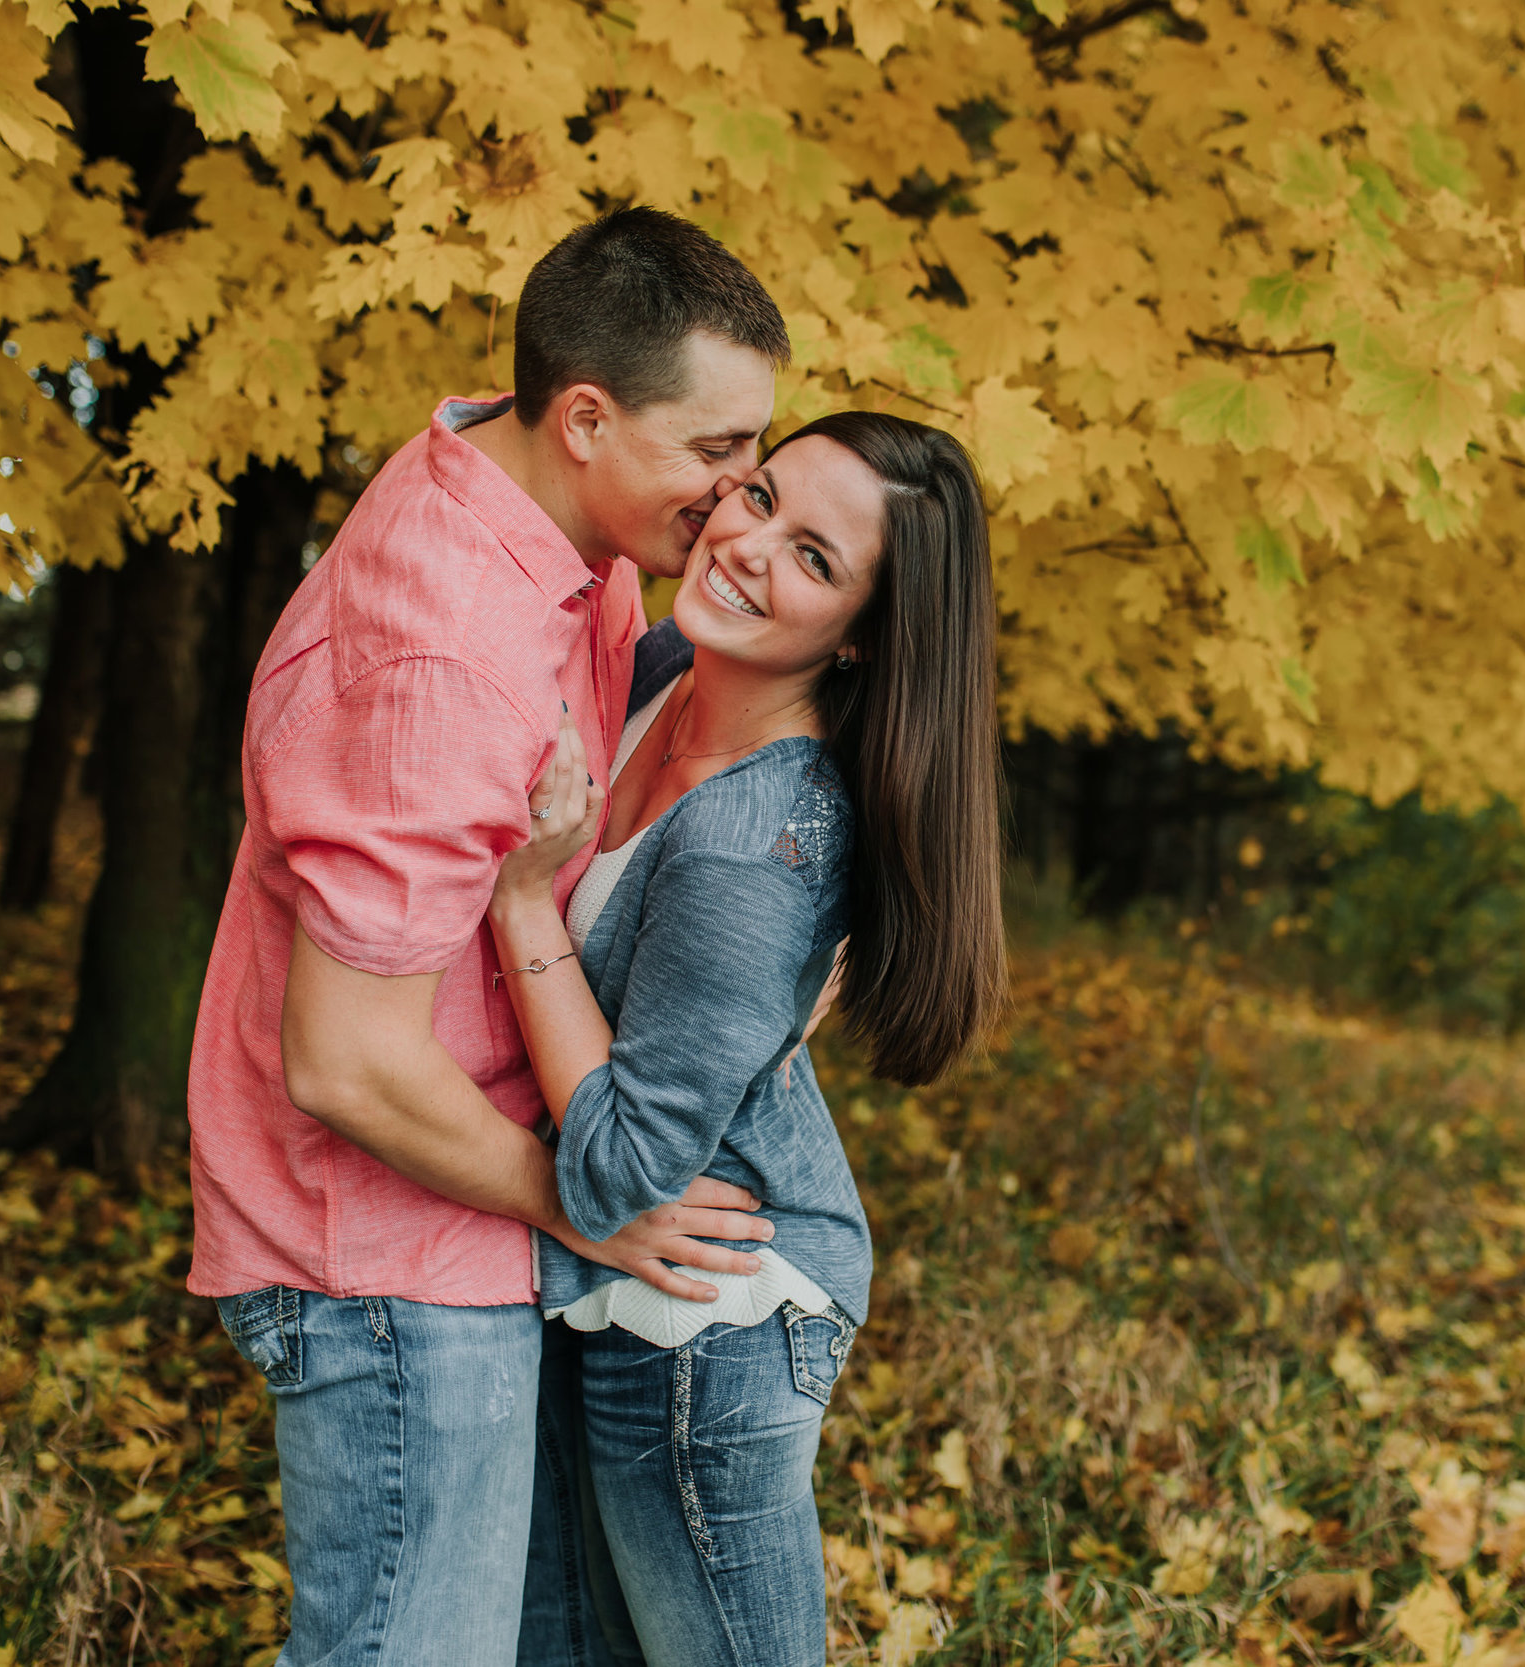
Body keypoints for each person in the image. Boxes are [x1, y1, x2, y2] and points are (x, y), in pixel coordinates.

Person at [184, 208, 797, 1667]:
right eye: (716, 450)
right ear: (585, 416)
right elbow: (345, 1062)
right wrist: (593, 1203)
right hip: (386, 1267)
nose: (742, 490)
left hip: (476, 1227)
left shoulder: (561, 524)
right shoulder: (443, 653)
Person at [494, 412, 1008, 1666]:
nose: (746, 544)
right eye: (760, 494)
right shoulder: (666, 668)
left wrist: (522, 902)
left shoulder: (756, 842)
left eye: (815, 559)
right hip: (619, 1291)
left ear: (865, 633)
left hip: (707, 1325)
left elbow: (619, 1167)